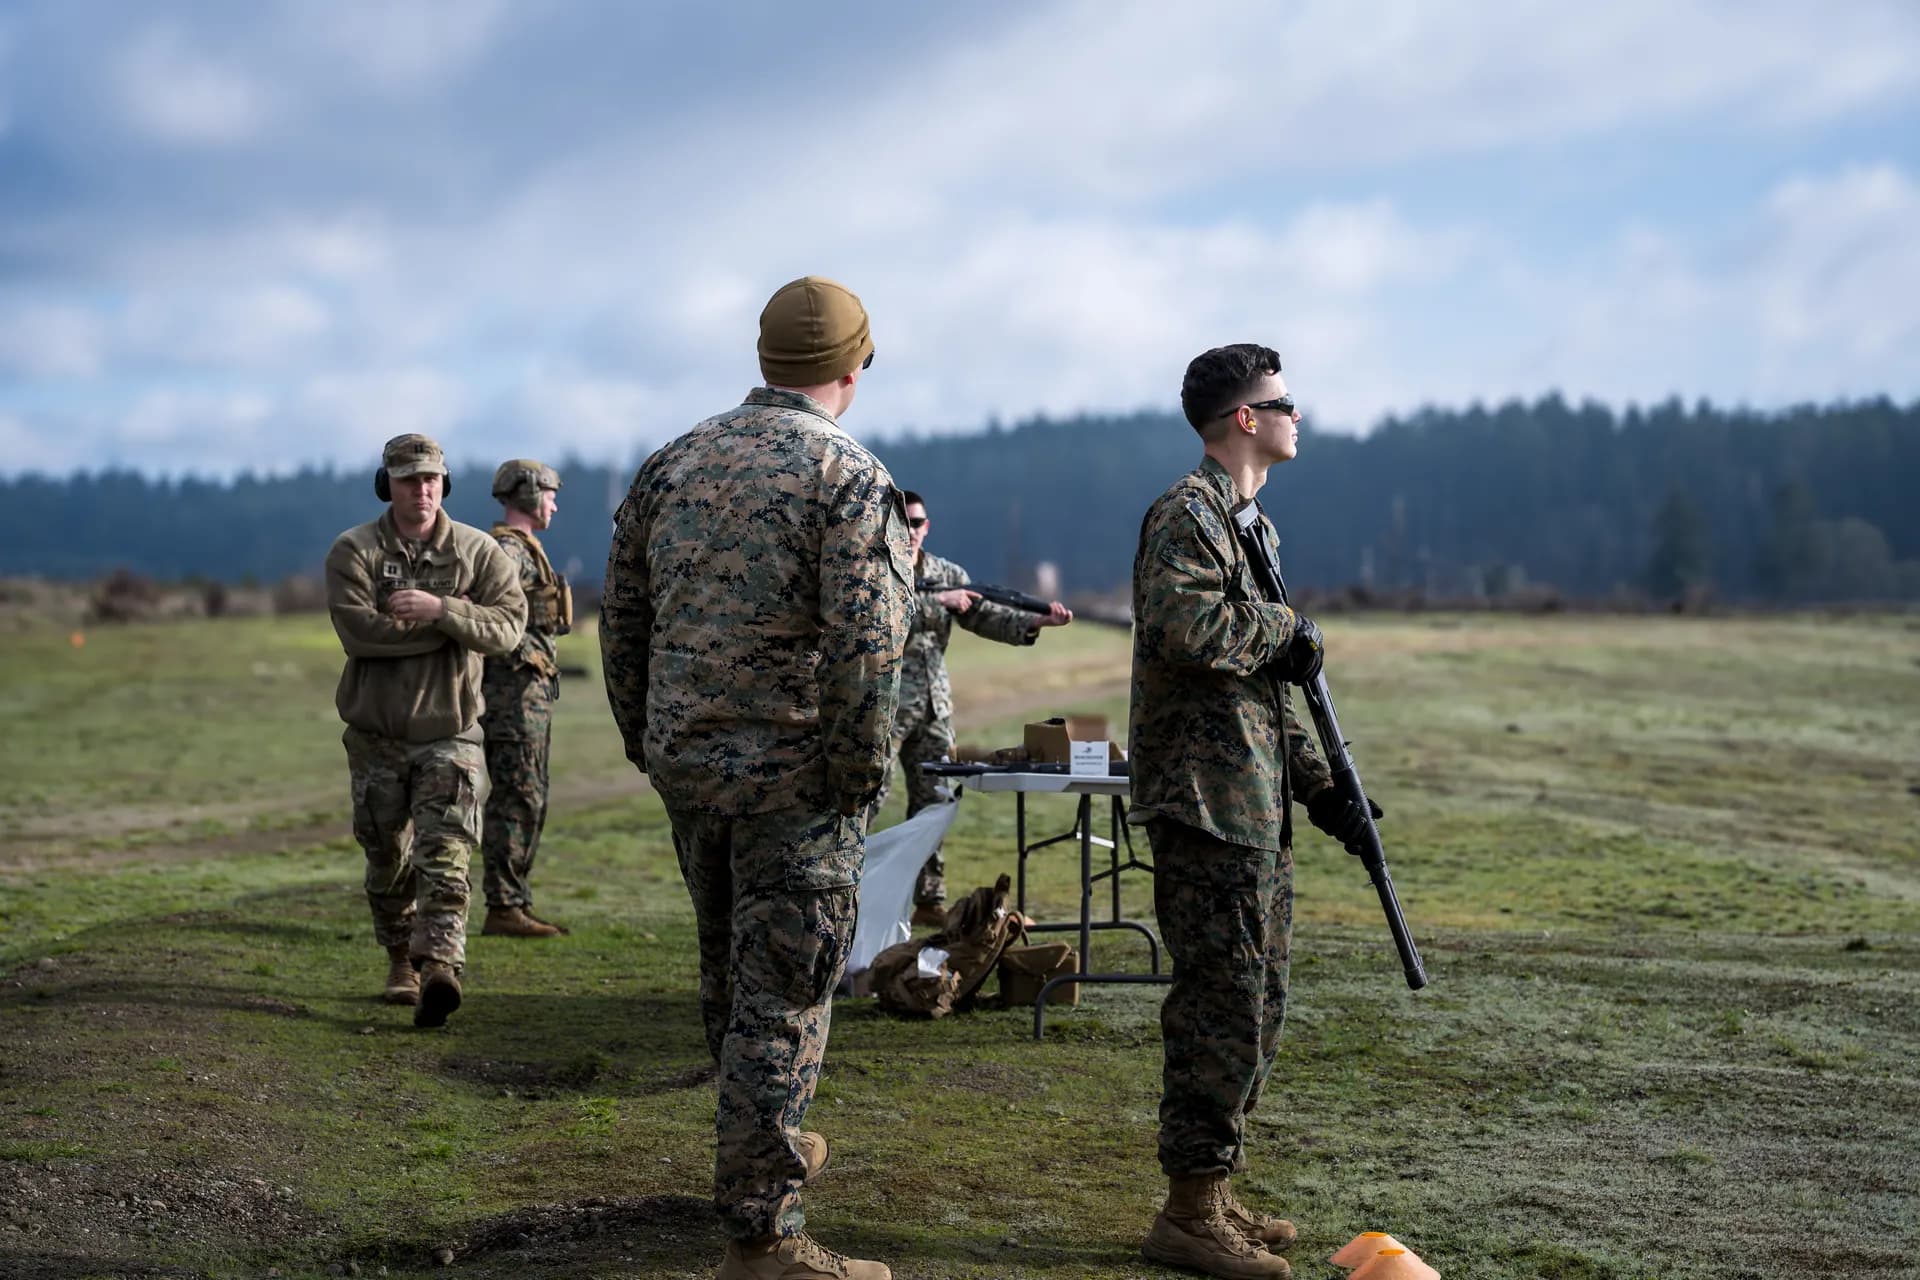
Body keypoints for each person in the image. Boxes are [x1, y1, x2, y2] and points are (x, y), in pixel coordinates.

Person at [600, 276, 912, 1280]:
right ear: (852, 370)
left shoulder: (674, 462)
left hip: (694, 771)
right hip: (796, 784)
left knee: (729, 986)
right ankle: (764, 1241)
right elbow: (871, 649)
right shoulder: (848, 476)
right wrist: (860, 776)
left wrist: (651, 743)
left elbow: (623, 620)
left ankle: (755, 1163)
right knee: (783, 995)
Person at [1127, 344, 1386, 1279]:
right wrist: (1289, 629)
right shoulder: (1186, 517)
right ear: (1245, 418)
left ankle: (1215, 1188)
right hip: (1204, 802)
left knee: (1257, 1003)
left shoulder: (1253, 530)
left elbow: (1270, 696)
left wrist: (1325, 791)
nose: (1296, 415)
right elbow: (1186, 628)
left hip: (1253, 799)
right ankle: (1188, 1214)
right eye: (1284, 402)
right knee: (1221, 1005)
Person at [324, 434, 528, 1029]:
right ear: (388, 483)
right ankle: (399, 960)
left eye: (433, 478)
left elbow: (509, 628)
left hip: (451, 729)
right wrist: (454, 624)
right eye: (411, 479)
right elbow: (358, 632)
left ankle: (440, 964)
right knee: (387, 856)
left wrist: (442, 612)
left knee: (448, 851)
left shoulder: (478, 550)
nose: (423, 489)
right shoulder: (354, 550)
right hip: (377, 733)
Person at [880, 490, 1071, 926]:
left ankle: (929, 898)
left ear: (927, 526)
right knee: (870, 798)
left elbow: (985, 616)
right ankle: (850, 889)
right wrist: (934, 602)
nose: (909, 531)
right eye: (902, 522)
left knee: (936, 801)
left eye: (917, 522)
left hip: (934, 708)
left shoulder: (948, 573)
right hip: (884, 708)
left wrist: (1035, 622)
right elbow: (874, 615)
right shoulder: (878, 572)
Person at [477, 459, 573, 938]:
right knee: (518, 795)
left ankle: (511, 900)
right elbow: (488, 614)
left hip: (527, 692)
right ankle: (504, 905)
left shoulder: (522, 549)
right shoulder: (506, 551)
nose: (554, 502)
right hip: (512, 694)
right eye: (550, 494)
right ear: (530, 494)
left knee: (527, 793)